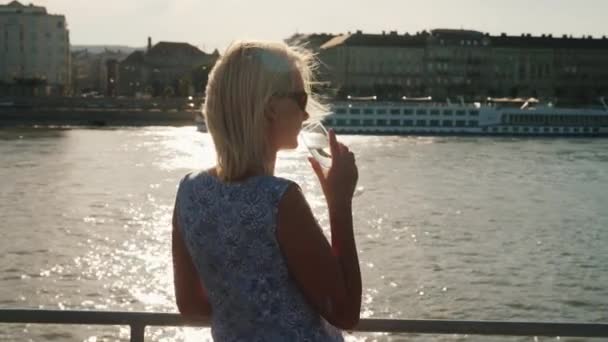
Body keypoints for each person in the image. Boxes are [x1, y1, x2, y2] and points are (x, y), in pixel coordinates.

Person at [172, 40, 361, 341]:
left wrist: (250, 315)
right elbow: (346, 312)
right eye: (301, 100)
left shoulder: (190, 191)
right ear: (271, 108)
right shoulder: (279, 199)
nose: (307, 115)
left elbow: (190, 304)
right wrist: (339, 203)